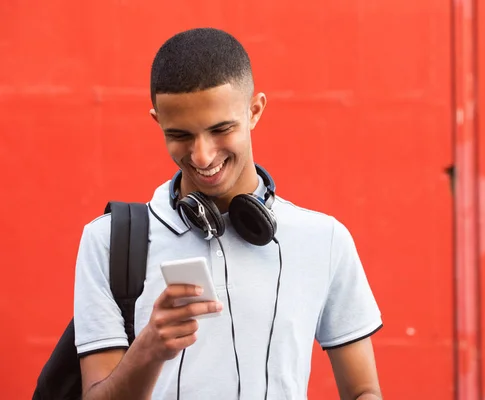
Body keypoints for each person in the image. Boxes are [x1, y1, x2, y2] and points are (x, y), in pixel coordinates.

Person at [73, 27, 383, 399]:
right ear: (158, 122)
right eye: (181, 135)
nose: (202, 156)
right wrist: (150, 348)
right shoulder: (106, 241)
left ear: (255, 111)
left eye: (221, 129)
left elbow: (363, 391)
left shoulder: (326, 239)